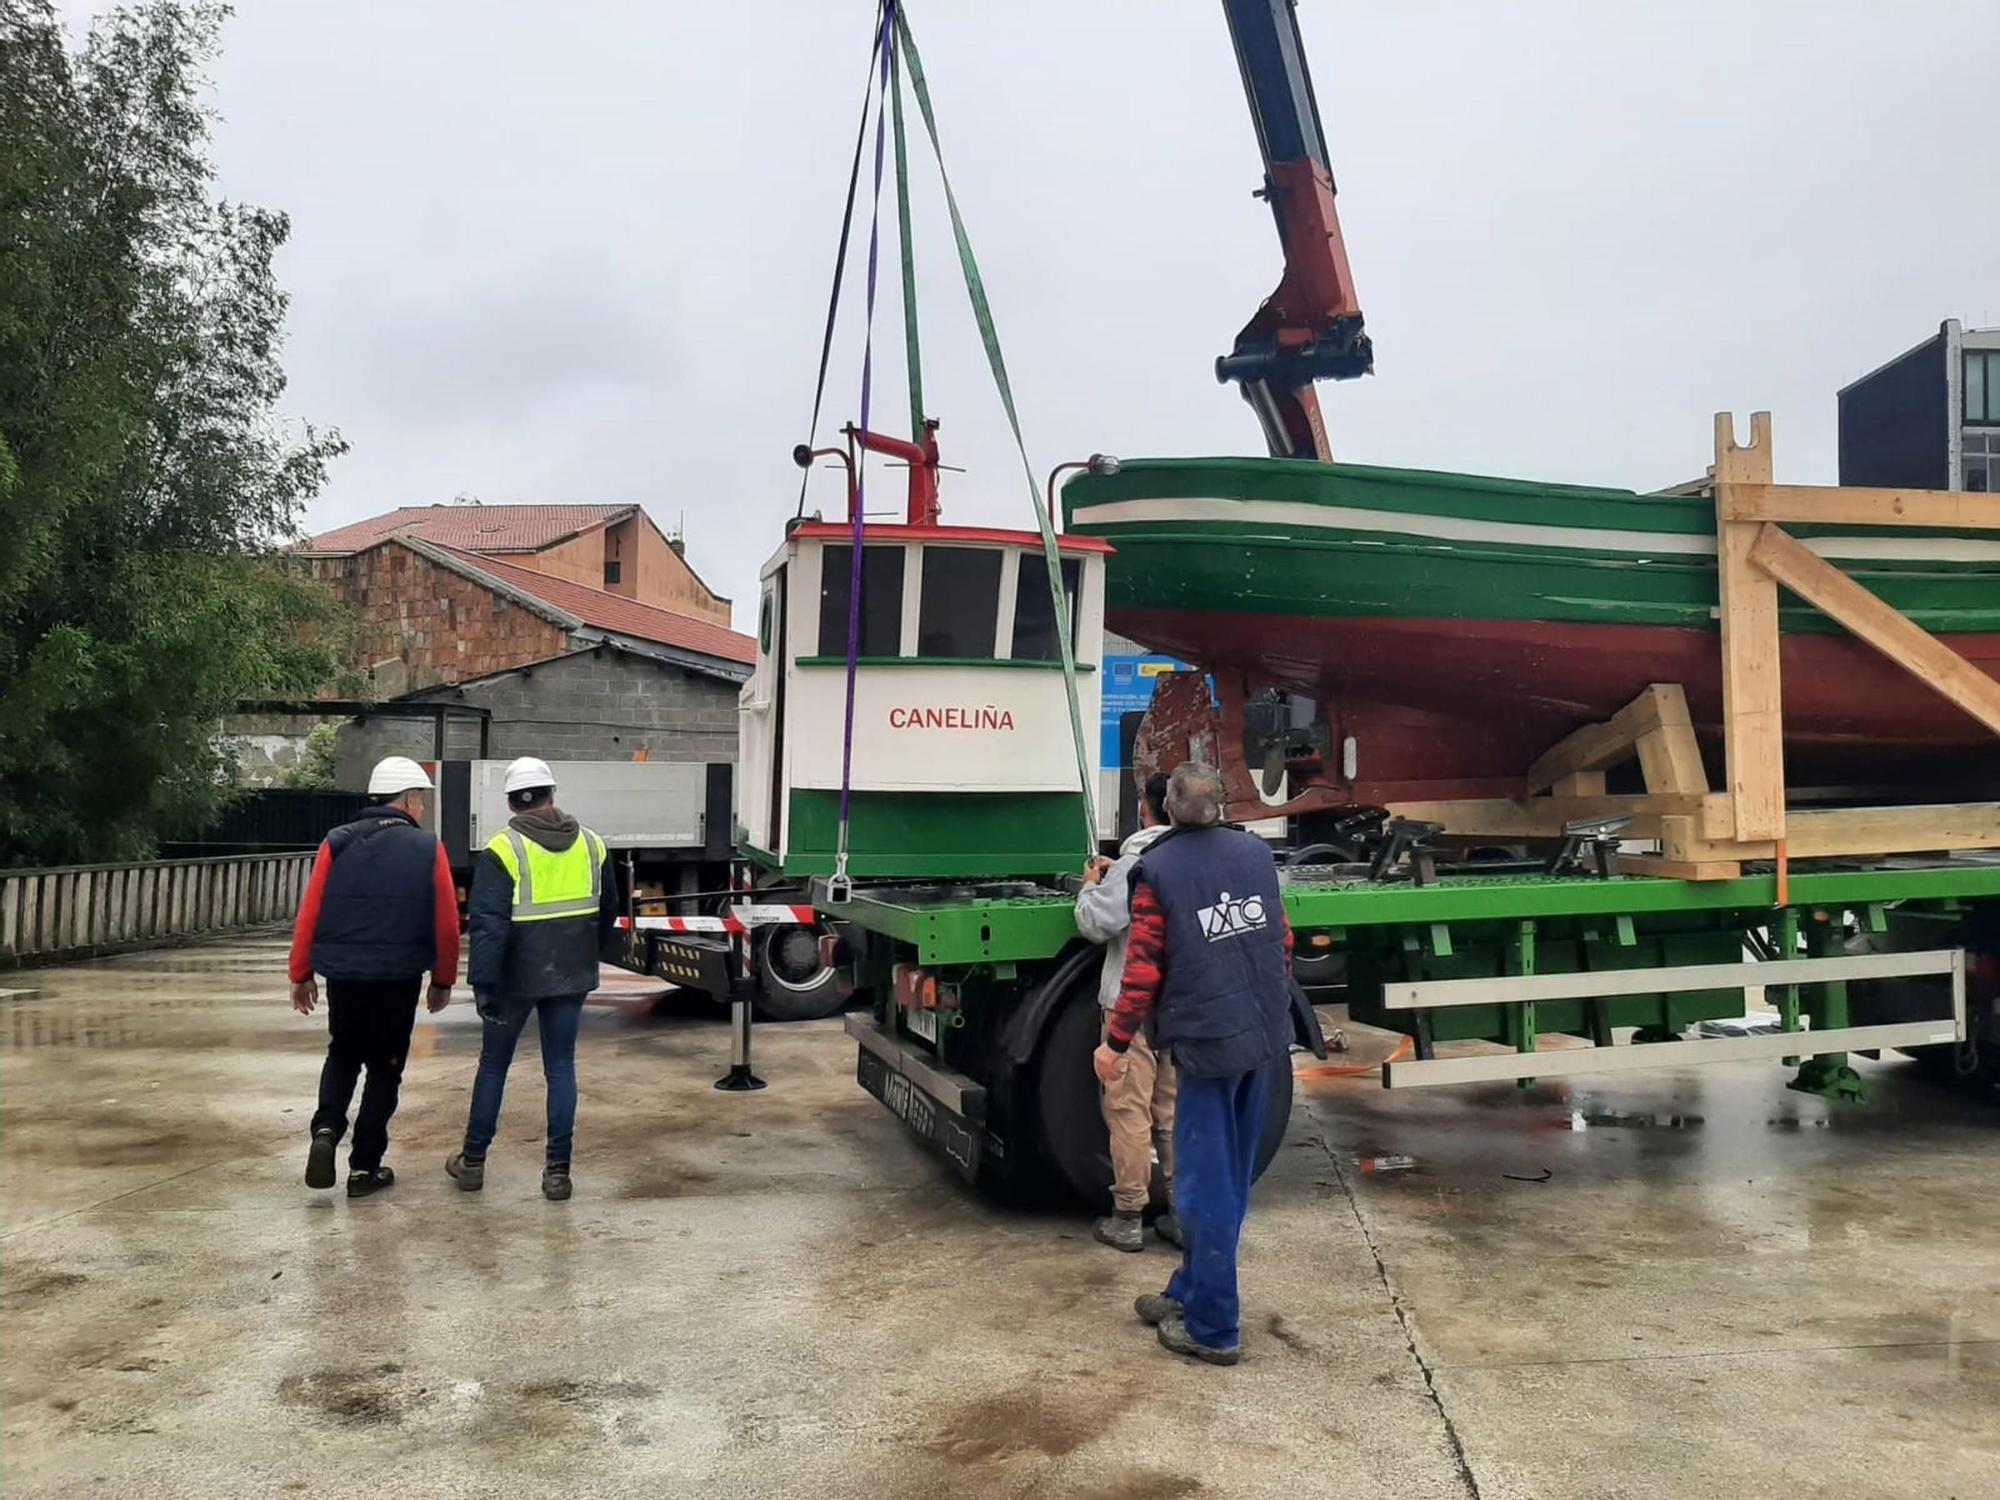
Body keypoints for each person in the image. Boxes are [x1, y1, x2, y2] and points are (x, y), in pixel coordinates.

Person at [1094, 761, 1293, 1366]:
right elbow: (1280, 941)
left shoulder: (1158, 870)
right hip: (1261, 1038)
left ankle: (1214, 1328)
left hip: (1209, 1049)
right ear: (1222, 805)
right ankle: (1189, 1291)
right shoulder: (1256, 857)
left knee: (1207, 1190)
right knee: (1226, 1179)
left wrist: (1116, 1043)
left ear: (1168, 809)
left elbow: (1144, 968)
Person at [447, 757, 618, 1201]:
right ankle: (557, 1172)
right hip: (571, 973)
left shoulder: (503, 849)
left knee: (493, 1065)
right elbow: (609, 913)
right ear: (551, 795)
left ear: (511, 801)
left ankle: (473, 1162)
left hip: (513, 979)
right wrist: (588, 957)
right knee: (560, 1067)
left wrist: (483, 984)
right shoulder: (593, 845)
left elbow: (488, 924)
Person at [289, 756, 459, 1198]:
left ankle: (325, 1130)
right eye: (420, 800)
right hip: (397, 979)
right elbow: (446, 920)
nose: (421, 809)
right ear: (407, 799)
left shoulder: (337, 842)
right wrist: (442, 980)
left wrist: (301, 973)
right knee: (385, 1068)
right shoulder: (427, 848)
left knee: (343, 1054)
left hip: (343, 976)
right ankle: (364, 1168)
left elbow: (311, 910)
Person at [1075, 771, 1179, 1253]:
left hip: (1131, 1006)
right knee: (1173, 1112)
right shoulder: (1193, 855)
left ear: (1146, 808)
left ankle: (1128, 1216)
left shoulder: (1136, 862)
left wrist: (1093, 885)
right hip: (1180, 1007)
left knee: (1128, 1111)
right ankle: (1183, 1215)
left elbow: (1100, 923)